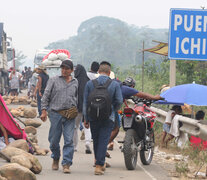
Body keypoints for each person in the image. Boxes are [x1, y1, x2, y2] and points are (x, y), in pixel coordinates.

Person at [83, 61, 123, 175]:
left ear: (98, 72)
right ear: (109, 72)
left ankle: (98, 162)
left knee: (96, 140)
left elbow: (85, 102)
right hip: (108, 116)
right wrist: (113, 110)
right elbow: (119, 100)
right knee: (104, 140)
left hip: (93, 116)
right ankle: (99, 166)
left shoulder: (90, 84)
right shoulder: (114, 84)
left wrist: (86, 118)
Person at [41, 59, 78, 174]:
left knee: (69, 140)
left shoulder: (75, 82)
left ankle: (66, 163)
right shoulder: (53, 80)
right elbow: (46, 95)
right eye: (62, 68)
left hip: (70, 115)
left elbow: (77, 97)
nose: (64, 71)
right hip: (55, 113)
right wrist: (43, 111)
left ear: (72, 70)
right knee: (53, 140)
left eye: (67, 69)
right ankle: (56, 157)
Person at [107, 77, 162, 153]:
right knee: (115, 129)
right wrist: (155, 97)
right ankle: (102, 148)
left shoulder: (116, 87)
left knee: (107, 129)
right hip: (111, 110)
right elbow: (143, 95)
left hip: (103, 108)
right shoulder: (126, 89)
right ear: (132, 86)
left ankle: (101, 150)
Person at [73, 64, 91, 154]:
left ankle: (74, 146)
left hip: (77, 108)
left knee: (75, 127)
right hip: (87, 108)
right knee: (87, 125)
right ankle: (87, 142)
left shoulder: (74, 81)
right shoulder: (88, 81)